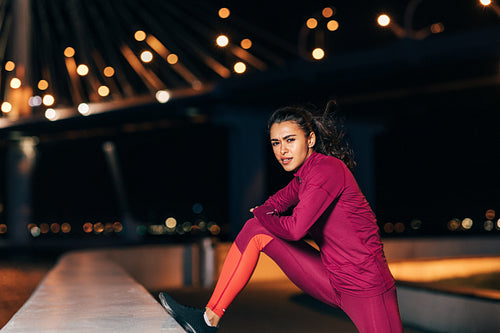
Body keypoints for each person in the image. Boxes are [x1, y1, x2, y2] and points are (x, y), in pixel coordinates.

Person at [159, 101, 403, 333]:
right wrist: (262, 215)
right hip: (331, 278)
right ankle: (207, 320)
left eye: (290, 140)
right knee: (255, 230)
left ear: (310, 139)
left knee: (259, 224)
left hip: (367, 287)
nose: (282, 150)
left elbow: (296, 229)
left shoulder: (327, 170)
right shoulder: (303, 177)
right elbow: (272, 204)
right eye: (276, 143)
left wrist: (263, 215)